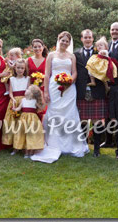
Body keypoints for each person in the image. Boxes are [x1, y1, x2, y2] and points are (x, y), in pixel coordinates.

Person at [31, 31, 89, 163]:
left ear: (69, 43)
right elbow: (46, 74)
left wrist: (69, 81)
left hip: (69, 89)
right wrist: (45, 92)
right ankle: (54, 144)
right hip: (53, 88)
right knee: (54, 113)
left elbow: (74, 73)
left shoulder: (72, 56)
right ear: (58, 41)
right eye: (62, 40)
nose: (64, 43)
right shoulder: (51, 55)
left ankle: (71, 144)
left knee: (69, 114)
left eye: (67, 41)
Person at [75, 29, 108, 157]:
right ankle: (83, 147)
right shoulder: (76, 54)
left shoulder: (99, 52)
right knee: (82, 120)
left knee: (97, 121)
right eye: (85, 37)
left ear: (92, 39)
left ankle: (96, 149)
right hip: (82, 90)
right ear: (82, 39)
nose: (88, 39)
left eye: (90, 37)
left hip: (97, 89)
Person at [2, 59, 30, 151]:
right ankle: (14, 147)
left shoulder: (27, 79)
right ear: (15, 68)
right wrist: (13, 99)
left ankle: (23, 146)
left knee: (22, 124)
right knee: (13, 123)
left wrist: (23, 101)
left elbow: (27, 92)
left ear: (25, 69)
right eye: (18, 68)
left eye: (22, 68)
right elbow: (10, 92)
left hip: (24, 101)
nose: (20, 70)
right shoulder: (12, 79)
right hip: (14, 101)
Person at [11, 85, 45, 158]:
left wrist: (43, 103)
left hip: (32, 120)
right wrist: (15, 109)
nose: (25, 90)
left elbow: (41, 108)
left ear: (32, 93)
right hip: (23, 119)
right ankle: (16, 149)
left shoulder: (35, 101)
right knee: (20, 133)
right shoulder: (23, 100)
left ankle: (28, 152)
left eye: (28, 89)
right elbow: (19, 108)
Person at [26, 39, 48, 121]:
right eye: (35, 47)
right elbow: (27, 76)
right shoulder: (28, 61)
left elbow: (48, 75)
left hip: (43, 89)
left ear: (43, 47)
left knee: (42, 112)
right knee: (32, 112)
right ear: (32, 48)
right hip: (31, 90)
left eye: (39, 46)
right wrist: (29, 88)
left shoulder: (47, 60)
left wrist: (42, 86)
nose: (37, 49)